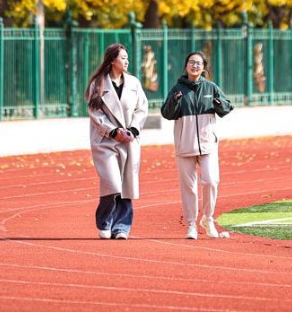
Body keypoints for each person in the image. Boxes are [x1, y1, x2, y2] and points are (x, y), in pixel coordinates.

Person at [160, 51, 233, 239]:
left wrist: (219, 104)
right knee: (188, 186)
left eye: (199, 63)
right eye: (191, 62)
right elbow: (166, 113)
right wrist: (174, 101)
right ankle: (191, 224)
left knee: (210, 180)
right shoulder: (178, 88)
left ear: (204, 67)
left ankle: (208, 219)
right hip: (185, 145)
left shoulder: (210, 87)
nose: (195, 66)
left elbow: (227, 107)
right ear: (186, 66)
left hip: (208, 143)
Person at [85, 43, 148, 240]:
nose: (126, 61)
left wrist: (133, 129)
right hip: (106, 141)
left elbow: (142, 108)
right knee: (112, 183)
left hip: (129, 140)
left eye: (127, 57)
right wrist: (113, 132)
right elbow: (95, 114)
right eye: (123, 57)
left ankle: (122, 226)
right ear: (112, 60)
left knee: (127, 185)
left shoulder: (134, 83)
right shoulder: (99, 84)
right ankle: (104, 220)